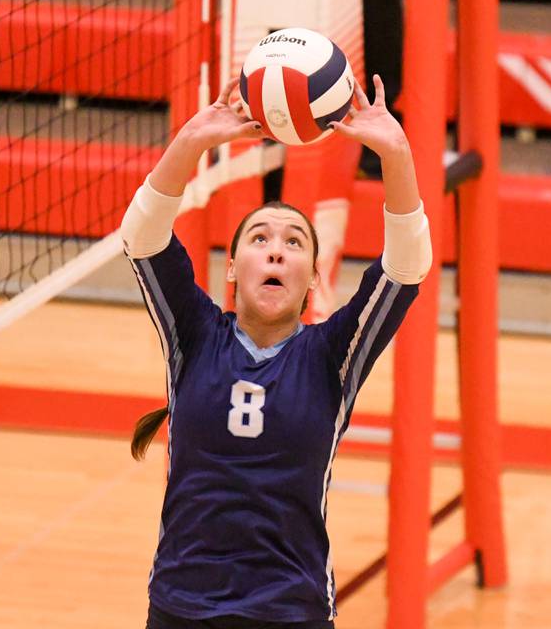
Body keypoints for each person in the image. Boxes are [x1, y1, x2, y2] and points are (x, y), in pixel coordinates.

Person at [120, 74, 432, 629]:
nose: (275, 252)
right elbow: (142, 238)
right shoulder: (193, 335)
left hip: (291, 611)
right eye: (259, 239)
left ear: (313, 277)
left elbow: (406, 270)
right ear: (232, 269)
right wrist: (191, 141)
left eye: (294, 243)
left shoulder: (332, 356)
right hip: (181, 608)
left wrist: (397, 156)